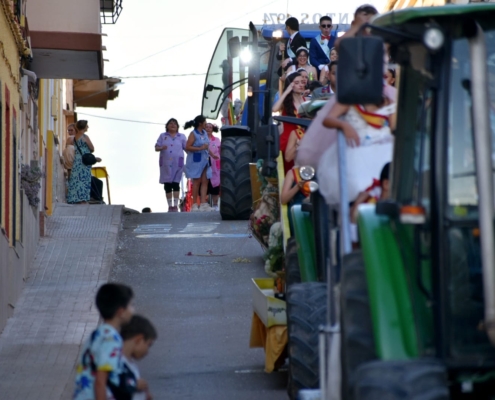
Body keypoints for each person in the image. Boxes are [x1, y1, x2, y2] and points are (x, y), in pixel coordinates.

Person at [73, 283, 134, 400]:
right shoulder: (111, 340)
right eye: (131, 305)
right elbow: (100, 382)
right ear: (121, 312)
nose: (133, 310)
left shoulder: (98, 334)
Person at [272, 72, 307, 173]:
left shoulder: (306, 100)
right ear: (291, 85)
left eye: (302, 82)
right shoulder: (286, 103)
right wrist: (286, 91)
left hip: (303, 140)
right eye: (296, 83)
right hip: (288, 142)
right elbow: (274, 109)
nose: (301, 85)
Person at [184, 115, 219, 212]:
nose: (206, 123)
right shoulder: (193, 134)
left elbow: (207, 146)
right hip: (196, 161)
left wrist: (212, 155)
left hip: (205, 160)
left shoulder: (204, 133)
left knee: (205, 181)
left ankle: (203, 203)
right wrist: (199, 148)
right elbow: (188, 147)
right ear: (200, 123)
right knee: (197, 182)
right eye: (205, 122)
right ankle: (195, 204)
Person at [120, 315, 157, 400]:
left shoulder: (130, 365)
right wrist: (133, 385)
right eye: (148, 345)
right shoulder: (115, 361)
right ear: (138, 339)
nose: (147, 352)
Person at [155, 118, 187, 212]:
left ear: (177, 127)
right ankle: (170, 206)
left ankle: (175, 205)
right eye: (170, 123)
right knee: (167, 184)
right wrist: (161, 148)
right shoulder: (163, 136)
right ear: (167, 126)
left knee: (176, 183)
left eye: (175, 124)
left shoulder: (181, 136)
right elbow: (156, 147)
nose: (173, 125)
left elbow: (187, 148)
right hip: (165, 163)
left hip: (178, 163)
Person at [67, 120, 100, 204]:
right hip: (84, 160)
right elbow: (92, 148)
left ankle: (74, 198)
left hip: (77, 159)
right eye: (87, 126)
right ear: (84, 127)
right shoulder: (85, 137)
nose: (88, 127)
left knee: (76, 179)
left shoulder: (74, 137)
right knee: (84, 179)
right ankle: (83, 199)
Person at [205, 122, 221, 211]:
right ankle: (205, 204)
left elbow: (221, 151)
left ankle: (215, 205)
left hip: (215, 165)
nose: (208, 128)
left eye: (210, 127)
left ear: (212, 129)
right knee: (205, 183)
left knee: (215, 185)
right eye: (206, 127)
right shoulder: (201, 139)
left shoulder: (217, 140)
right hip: (204, 164)